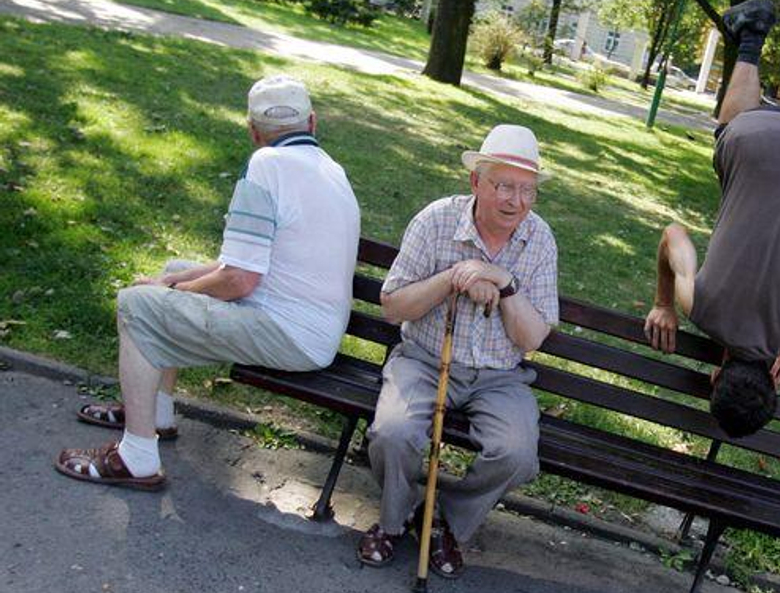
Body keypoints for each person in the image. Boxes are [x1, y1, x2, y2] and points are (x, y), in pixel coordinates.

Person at [55, 74, 361, 489]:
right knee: (171, 270)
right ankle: (155, 414)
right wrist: (173, 279)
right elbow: (239, 264)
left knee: (135, 304)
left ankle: (136, 457)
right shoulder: (330, 169)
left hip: (289, 335)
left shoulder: (266, 165)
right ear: (312, 122)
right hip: (313, 330)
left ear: (253, 131)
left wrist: (172, 291)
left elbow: (238, 280)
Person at [644, 0, 780, 438]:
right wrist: (665, 303)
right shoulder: (699, 307)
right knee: (733, 129)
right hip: (754, 141)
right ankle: (751, 35)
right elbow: (673, 235)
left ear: (775, 382)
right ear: (715, 376)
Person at [357, 124, 558, 579]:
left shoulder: (540, 240)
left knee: (516, 453)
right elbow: (392, 307)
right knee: (393, 433)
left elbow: (531, 339)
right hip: (425, 361)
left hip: (499, 377)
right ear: (475, 182)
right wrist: (452, 278)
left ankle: (444, 522)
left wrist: (504, 284)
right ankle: (396, 519)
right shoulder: (436, 221)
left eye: (527, 190)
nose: (516, 201)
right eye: (503, 186)